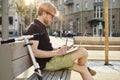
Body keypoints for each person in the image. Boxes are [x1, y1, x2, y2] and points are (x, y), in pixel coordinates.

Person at [26, 2, 96, 80]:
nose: (52, 20)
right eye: (52, 16)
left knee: (83, 69)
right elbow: (34, 52)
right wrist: (57, 53)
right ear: (44, 13)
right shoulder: (34, 27)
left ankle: (84, 67)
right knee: (83, 51)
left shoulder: (41, 27)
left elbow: (46, 49)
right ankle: (84, 66)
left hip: (51, 60)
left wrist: (60, 48)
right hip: (48, 63)